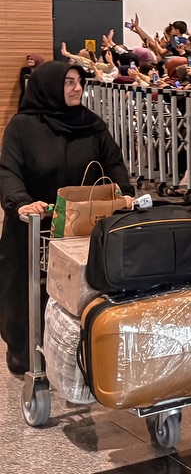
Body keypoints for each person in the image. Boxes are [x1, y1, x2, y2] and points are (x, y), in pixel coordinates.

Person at [0, 62, 135, 375]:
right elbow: (8, 170)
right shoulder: (22, 127)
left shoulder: (91, 124)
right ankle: (23, 346)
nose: (77, 88)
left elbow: (113, 163)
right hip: (36, 224)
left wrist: (123, 193)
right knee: (23, 285)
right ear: (48, 88)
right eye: (69, 83)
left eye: (79, 82)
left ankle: (79, 346)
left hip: (82, 224)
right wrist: (21, 203)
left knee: (85, 286)